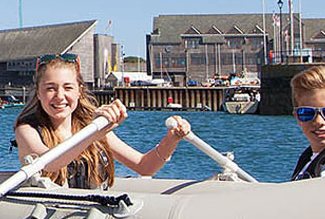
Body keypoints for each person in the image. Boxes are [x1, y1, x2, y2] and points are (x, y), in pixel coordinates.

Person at [13, 54, 192, 189]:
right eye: (50, 88)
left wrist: (171, 140)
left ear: (79, 92)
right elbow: (50, 163)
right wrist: (94, 133)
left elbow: (144, 167)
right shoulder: (27, 130)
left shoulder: (91, 128)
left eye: (68, 87)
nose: (60, 96)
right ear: (38, 93)